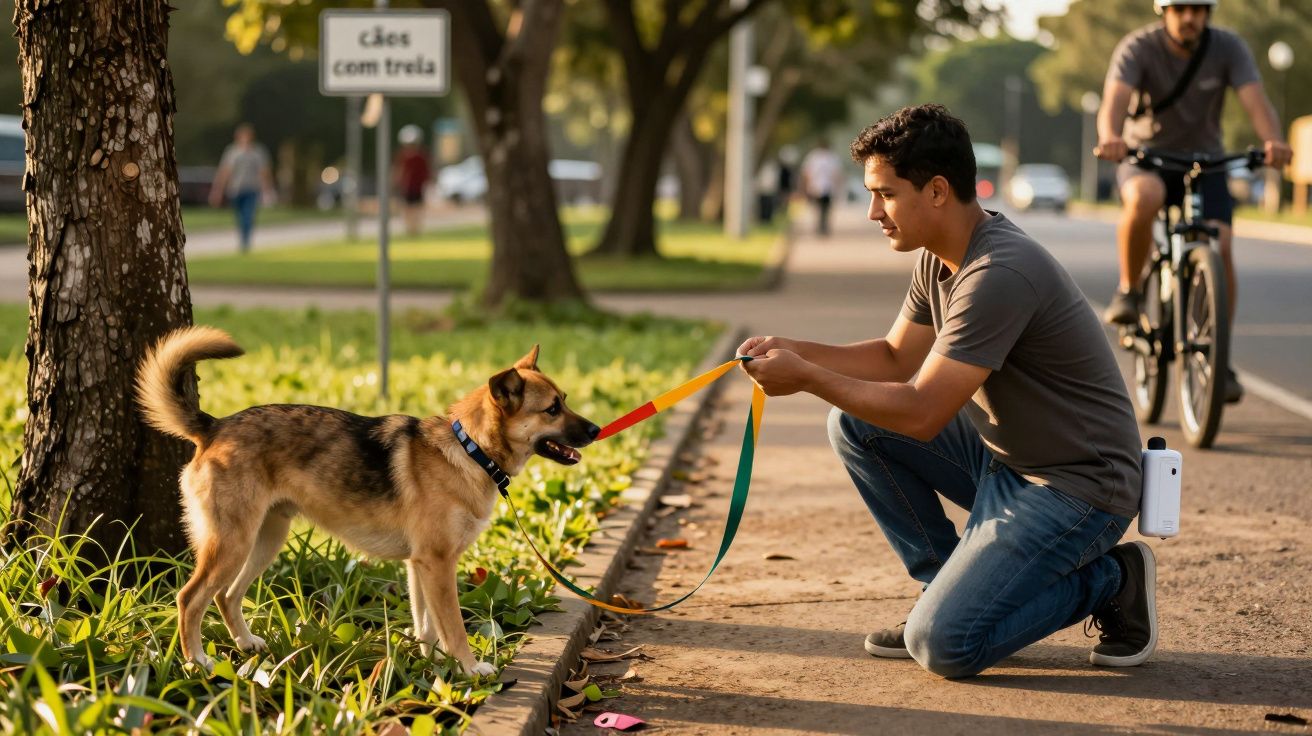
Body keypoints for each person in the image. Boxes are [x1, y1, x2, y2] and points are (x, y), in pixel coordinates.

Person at [739, 104, 1153, 679]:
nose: (871, 212)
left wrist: (808, 378)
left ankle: (1114, 579)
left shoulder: (998, 273)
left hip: (1077, 488)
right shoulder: (941, 256)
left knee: (944, 645)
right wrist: (797, 349)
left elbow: (923, 413)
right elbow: (893, 358)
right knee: (854, 424)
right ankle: (948, 586)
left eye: (884, 194)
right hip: (1008, 464)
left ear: (936, 191)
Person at [1094, 0, 1292, 403]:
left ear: (1208, 13)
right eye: (1181, 9)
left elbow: (1256, 102)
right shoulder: (1139, 48)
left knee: (1220, 242)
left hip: (1205, 160)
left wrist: (1274, 142)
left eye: (1199, 9)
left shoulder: (1228, 48)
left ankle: (1218, 351)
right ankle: (1130, 290)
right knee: (1145, 195)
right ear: (1163, 11)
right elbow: (1113, 102)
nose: (1190, 18)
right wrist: (1111, 136)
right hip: (1146, 156)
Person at [209, 123, 274, 253]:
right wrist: (217, 191)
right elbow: (225, 172)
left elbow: (263, 172)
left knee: (248, 215)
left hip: (251, 189)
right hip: (235, 189)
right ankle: (243, 238)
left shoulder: (258, 152)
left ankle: (245, 242)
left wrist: (267, 190)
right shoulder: (232, 152)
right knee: (239, 216)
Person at [394, 124, 432, 237]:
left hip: (417, 187)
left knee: (416, 209)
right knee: (408, 209)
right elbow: (399, 171)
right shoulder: (403, 156)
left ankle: (415, 229)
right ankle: (410, 229)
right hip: (407, 187)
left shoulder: (421, 156)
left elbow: (426, 172)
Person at [800, 139, 842, 237]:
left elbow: (807, 173)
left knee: (819, 208)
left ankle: (820, 227)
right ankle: (823, 227)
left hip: (817, 187)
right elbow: (837, 174)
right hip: (826, 187)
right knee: (825, 209)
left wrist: (805, 186)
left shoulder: (813, 157)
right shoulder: (832, 157)